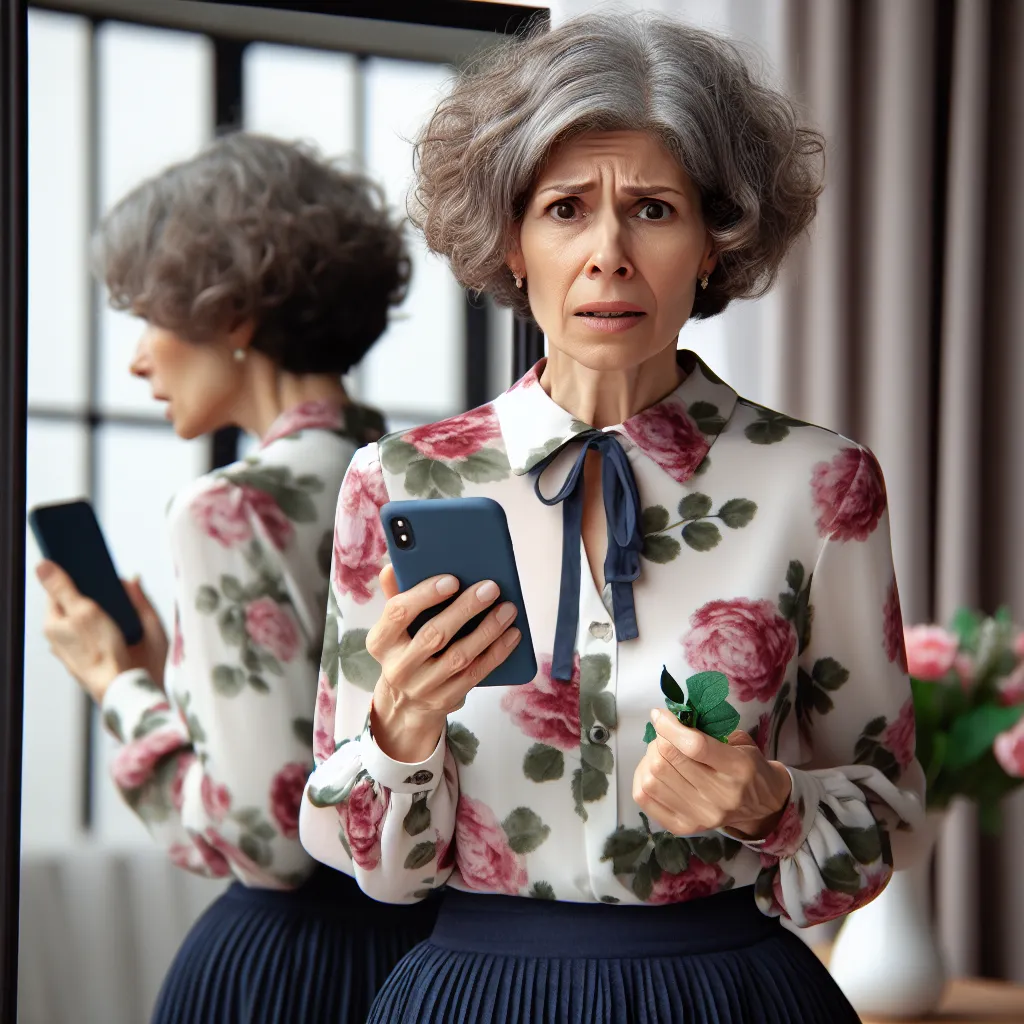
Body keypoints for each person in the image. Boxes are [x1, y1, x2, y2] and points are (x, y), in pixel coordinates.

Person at [300, 14, 927, 1023]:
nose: (606, 254)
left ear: (715, 246)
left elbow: (891, 823)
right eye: (562, 209)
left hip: (729, 994)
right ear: (511, 239)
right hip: (473, 997)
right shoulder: (398, 478)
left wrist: (768, 804)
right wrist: (400, 728)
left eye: (651, 208)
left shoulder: (822, 482)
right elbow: (365, 860)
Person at [36, 132, 437, 1024]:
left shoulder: (227, 508)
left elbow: (267, 836)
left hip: (292, 970)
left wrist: (118, 685)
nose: (138, 357)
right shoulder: (421, 475)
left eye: (150, 317)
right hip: (429, 962)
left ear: (231, 316)